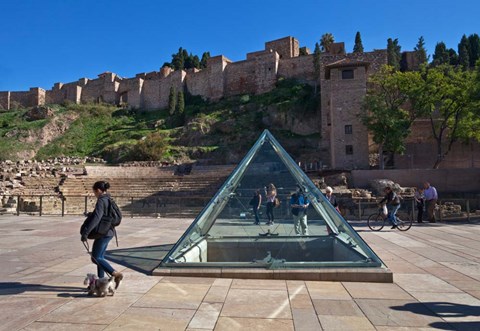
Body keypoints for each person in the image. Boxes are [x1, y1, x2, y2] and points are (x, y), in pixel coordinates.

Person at [81, 181, 123, 288]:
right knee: (100, 257)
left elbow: (97, 217)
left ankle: (115, 274)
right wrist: (91, 214)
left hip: (103, 233)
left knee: (95, 257)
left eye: (94, 191)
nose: (94, 194)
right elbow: (104, 215)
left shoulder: (101, 200)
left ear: (98, 190)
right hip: (109, 231)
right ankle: (101, 282)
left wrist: (86, 232)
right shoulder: (109, 199)